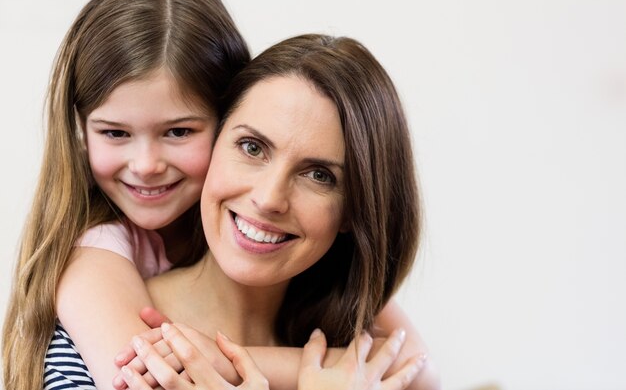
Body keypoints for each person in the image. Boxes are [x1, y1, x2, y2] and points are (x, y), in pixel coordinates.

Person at [115, 34, 439, 390]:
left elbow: (421, 369)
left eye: (319, 175)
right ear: (211, 146)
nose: (269, 198)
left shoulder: (361, 375)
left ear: (353, 211)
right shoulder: (111, 332)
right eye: (252, 147)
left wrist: (232, 362)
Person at [2, 0, 249, 390]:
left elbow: (395, 353)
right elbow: (147, 380)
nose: (146, 165)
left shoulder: (254, 230)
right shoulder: (94, 248)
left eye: (178, 132)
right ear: (80, 130)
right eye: (115, 133)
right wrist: (318, 371)